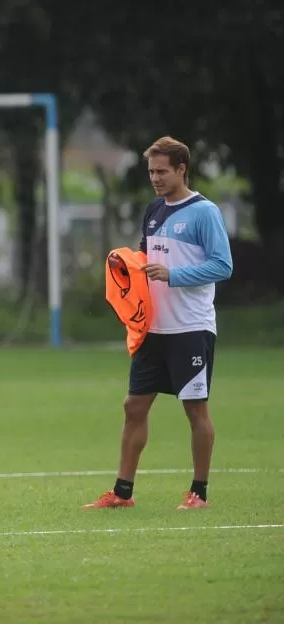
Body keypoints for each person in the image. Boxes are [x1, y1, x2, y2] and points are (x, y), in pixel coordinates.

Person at [84, 136, 233, 510]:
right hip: (153, 329)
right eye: (151, 171)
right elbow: (146, 259)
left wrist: (173, 274)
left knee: (195, 410)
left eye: (162, 171)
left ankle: (199, 493)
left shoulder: (204, 212)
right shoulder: (153, 210)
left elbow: (223, 265)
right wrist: (126, 264)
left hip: (190, 328)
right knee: (133, 406)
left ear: (182, 169)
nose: (156, 178)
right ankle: (122, 493)